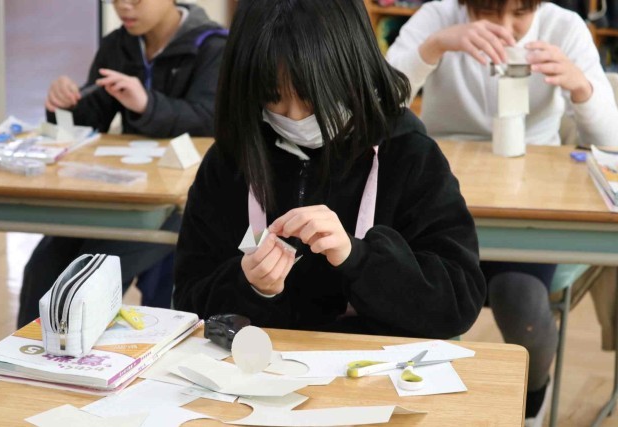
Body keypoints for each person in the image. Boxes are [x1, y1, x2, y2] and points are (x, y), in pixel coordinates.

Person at [173, 0, 486, 340]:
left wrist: (358, 258)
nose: (294, 116)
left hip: (374, 362)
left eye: (309, 95)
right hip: (260, 362)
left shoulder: (408, 154)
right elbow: (189, 299)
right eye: (273, 96)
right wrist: (249, 286)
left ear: (352, 68)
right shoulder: (230, 159)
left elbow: (458, 301)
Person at [386, 0, 618, 424]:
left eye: (520, 15)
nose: (506, 29)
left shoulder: (563, 27)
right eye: (490, 14)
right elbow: (375, 106)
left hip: (528, 203)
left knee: (522, 302)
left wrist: (581, 87)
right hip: (443, 194)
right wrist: (434, 47)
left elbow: (611, 139)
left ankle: (530, 409)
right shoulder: (437, 17)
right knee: (417, 294)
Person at [17, 0, 226, 328]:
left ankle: (69, 347)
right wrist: (63, 106)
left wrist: (146, 104)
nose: (124, 8)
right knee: (43, 265)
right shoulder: (118, 45)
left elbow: (212, 120)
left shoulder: (213, 46)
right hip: (123, 194)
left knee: (86, 276)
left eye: (136, 0)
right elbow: (92, 121)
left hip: (180, 202)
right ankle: (27, 353)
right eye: (116, 0)